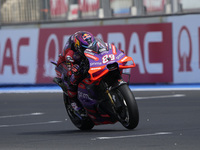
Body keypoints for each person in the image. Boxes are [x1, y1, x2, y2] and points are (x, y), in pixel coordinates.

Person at [53, 31, 96, 116]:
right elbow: (70, 71)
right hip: (65, 63)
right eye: (85, 48)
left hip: (79, 57)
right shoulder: (71, 53)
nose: (88, 50)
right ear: (78, 47)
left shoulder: (89, 41)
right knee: (73, 79)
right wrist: (73, 70)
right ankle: (74, 103)